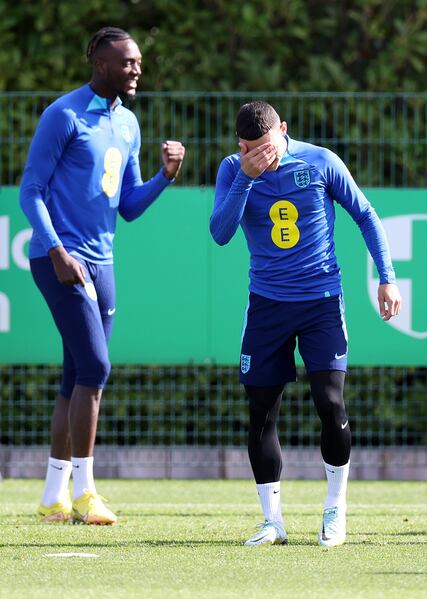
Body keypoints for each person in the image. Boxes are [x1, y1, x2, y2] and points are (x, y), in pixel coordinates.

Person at [210, 101, 401, 547]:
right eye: (252, 149)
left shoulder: (320, 161)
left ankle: (335, 509)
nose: (264, 155)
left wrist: (387, 278)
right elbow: (220, 233)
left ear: (285, 130)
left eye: (269, 145)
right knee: (261, 411)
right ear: (241, 146)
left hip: (320, 303)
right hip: (267, 305)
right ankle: (271, 521)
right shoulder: (233, 169)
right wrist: (245, 175)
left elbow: (366, 215)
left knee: (330, 402)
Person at [19, 27, 185, 525]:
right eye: (126, 62)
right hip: (60, 261)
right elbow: (31, 191)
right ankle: (87, 491)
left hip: (103, 263)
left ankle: (53, 495)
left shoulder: (128, 124)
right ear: (100, 65)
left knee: (77, 377)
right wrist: (56, 251)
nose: (136, 69)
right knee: (96, 368)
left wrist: (165, 178)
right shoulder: (63, 114)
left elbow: (128, 206)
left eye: (138, 62)